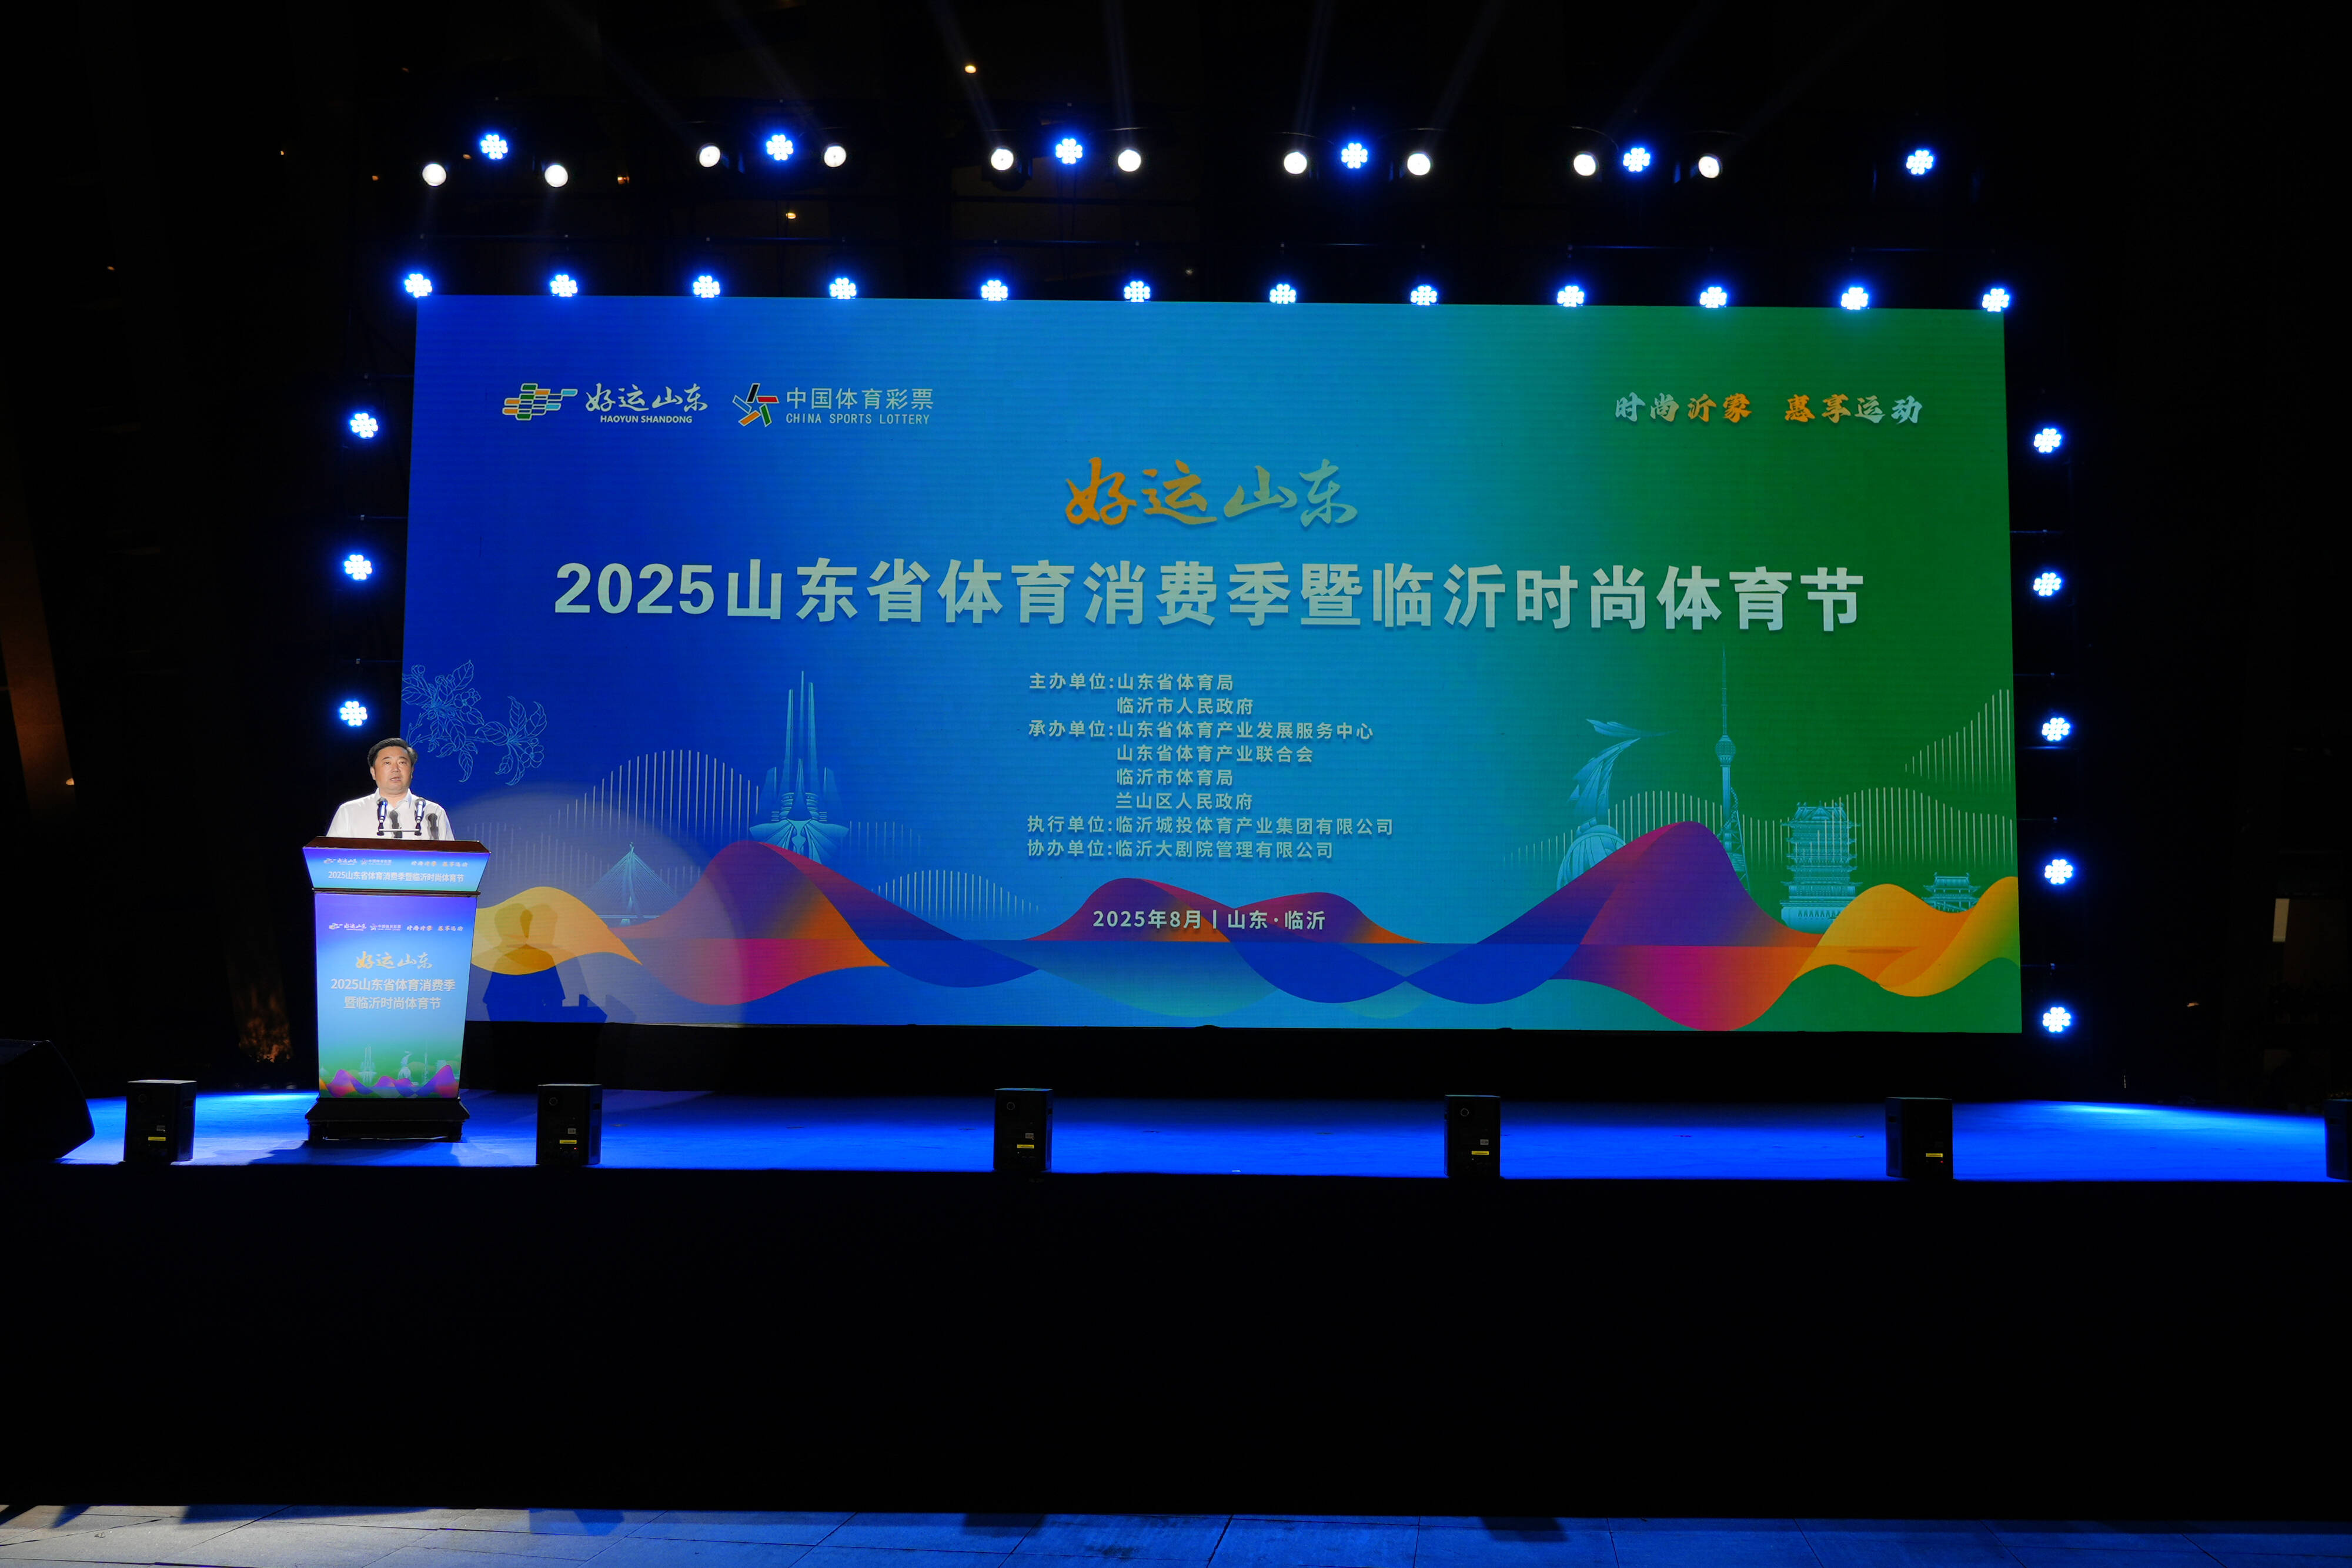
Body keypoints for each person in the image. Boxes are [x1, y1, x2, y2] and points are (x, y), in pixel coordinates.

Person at [326, 736, 456, 840]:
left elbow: (450, 859)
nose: (395, 769)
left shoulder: (433, 812)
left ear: (412, 771)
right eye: (387, 763)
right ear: (373, 772)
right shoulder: (350, 811)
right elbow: (331, 857)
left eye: (402, 763)